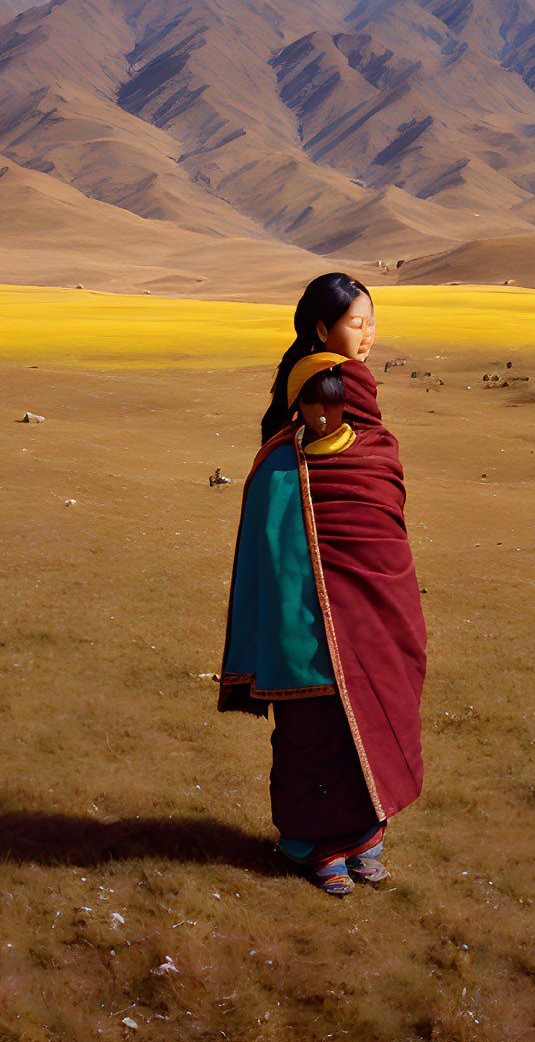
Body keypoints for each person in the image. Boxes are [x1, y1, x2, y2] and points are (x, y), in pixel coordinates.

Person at [218, 274, 426, 896]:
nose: (369, 334)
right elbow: (305, 485)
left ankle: (362, 837)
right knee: (317, 713)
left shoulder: (351, 399)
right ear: (321, 330)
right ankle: (309, 843)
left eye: (371, 321)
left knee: (373, 694)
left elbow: (371, 476)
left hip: (370, 590)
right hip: (310, 591)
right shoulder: (316, 400)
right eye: (357, 323)